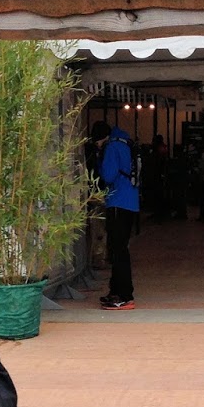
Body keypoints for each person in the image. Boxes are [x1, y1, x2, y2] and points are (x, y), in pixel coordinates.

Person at [92, 120, 138, 309]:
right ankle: (115, 291)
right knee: (120, 247)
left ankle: (125, 296)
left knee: (118, 250)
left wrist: (99, 160)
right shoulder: (126, 142)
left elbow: (108, 176)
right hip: (131, 201)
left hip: (118, 201)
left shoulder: (112, 147)